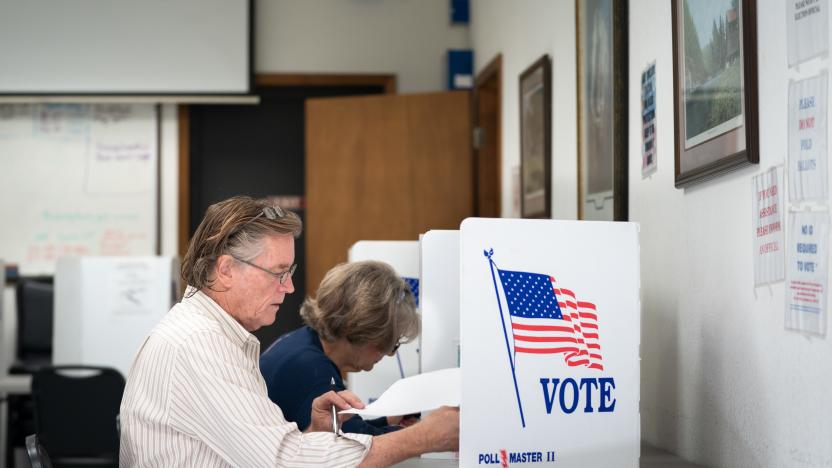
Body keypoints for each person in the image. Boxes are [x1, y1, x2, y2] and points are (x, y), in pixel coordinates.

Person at [119, 196, 458, 467]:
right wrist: (423, 438)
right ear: (225, 270)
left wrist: (314, 431)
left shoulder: (209, 335)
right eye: (278, 273)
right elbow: (283, 461)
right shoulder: (199, 343)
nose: (290, 286)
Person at [260, 260, 420, 436]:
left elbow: (350, 429)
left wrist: (388, 422)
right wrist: (422, 433)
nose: (390, 354)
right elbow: (355, 446)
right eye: (391, 343)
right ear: (366, 330)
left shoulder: (304, 345)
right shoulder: (311, 370)